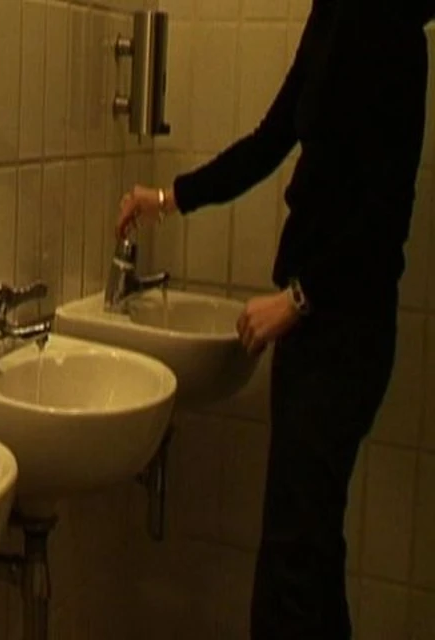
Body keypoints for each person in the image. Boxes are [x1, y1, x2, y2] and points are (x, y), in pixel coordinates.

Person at [116, 0, 434, 638]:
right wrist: (169, 198)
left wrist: (300, 299)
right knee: (309, 556)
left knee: (292, 568)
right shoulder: (338, 13)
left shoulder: (385, 26)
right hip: (322, 330)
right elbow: (272, 138)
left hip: (343, 336)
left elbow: (383, 212)